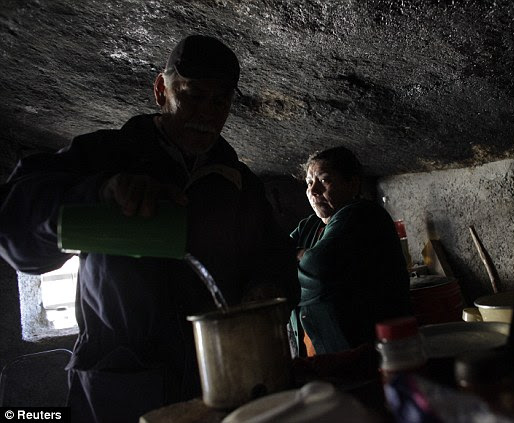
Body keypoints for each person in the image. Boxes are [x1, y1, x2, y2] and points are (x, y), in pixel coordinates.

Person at [0, 35, 299, 422]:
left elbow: (275, 260)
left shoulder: (240, 184)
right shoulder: (102, 155)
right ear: (161, 89)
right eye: (193, 95)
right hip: (122, 384)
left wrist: (268, 290)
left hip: (220, 381)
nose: (206, 114)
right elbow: (13, 229)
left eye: (219, 101)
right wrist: (97, 192)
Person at [289, 146, 412, 357]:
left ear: (352, 183)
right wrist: (300, 258)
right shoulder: (310, 225)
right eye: (309, 182)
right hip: (322, 357)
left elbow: (319, 269)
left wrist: (294, 265)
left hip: (364, 353)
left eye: (324, 180)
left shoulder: (363, 215)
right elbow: (273, 255)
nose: (313, 190)